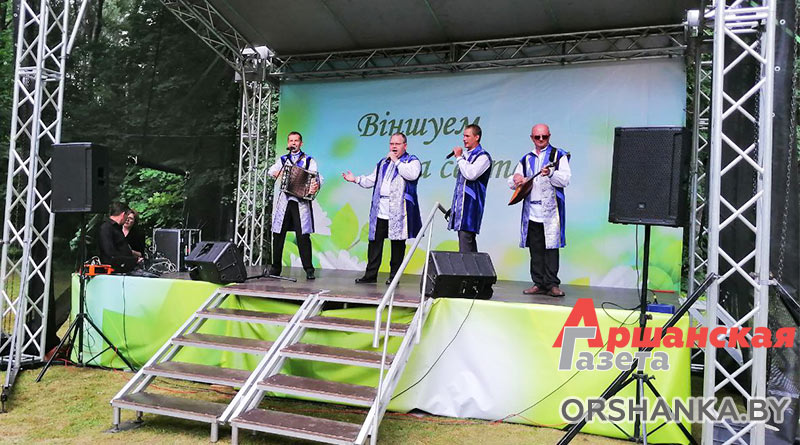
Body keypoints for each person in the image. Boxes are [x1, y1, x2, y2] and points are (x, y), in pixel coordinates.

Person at [343, 133, 422, 284]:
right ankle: (370, 275)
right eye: (391, 144)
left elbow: (412, 175)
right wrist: (356, 179)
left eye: (397, 144)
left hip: (398, 211)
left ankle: (394, 277)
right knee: (375, 243)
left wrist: (396, 161)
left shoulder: (412, 161)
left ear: (405, 146)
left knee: (397, 245)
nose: (393, 147)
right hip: (381, 210)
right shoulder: (383, 162)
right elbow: (372, 180)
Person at [509, 124, 571, 297]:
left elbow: (565, 180)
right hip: (532, 211)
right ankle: (538, 283)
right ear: (532, 138)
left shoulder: (558, 155)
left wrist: (551, 174)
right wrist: (516, 178)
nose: (541, 140)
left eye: (544, 136)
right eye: (538, 137)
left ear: (549, 136)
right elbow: (512, 182)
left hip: (551, 211)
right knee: (535, 249)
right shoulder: (526, 158)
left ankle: (552, 284)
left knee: (551, 248)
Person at [267, 131, 321, 280]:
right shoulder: (283, 160)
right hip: (285, 201)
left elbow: (316, 177)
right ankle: (275, 267)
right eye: (291, 140)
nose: (293, 143)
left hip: (300, 202)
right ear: (288, 143)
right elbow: (271, 171)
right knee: (278, 234)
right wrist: (279, 173)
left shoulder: (309, 160)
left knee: (303, 236)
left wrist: (314, 185)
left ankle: (308, 269)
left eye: (296, 141)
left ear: (301, 143)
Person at [447, 124, 492, 252]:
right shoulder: (466, 156)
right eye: (463, 136)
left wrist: (459, 158)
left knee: (466, 240)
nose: (464, 139)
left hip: (471, 207)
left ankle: (468, 265)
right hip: (462, 207)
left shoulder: (483, 157)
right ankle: (472, 265)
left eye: (467, 136)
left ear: (476, 137)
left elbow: (471, 174)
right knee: (465, 240)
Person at [98, 202, 143, 273]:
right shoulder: (106, 228)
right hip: (114, 271)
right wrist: (134, 260)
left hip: (125, 268)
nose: (127, 219)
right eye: (127, 215)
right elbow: (110, 255)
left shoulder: (117, 228)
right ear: (123, 214)